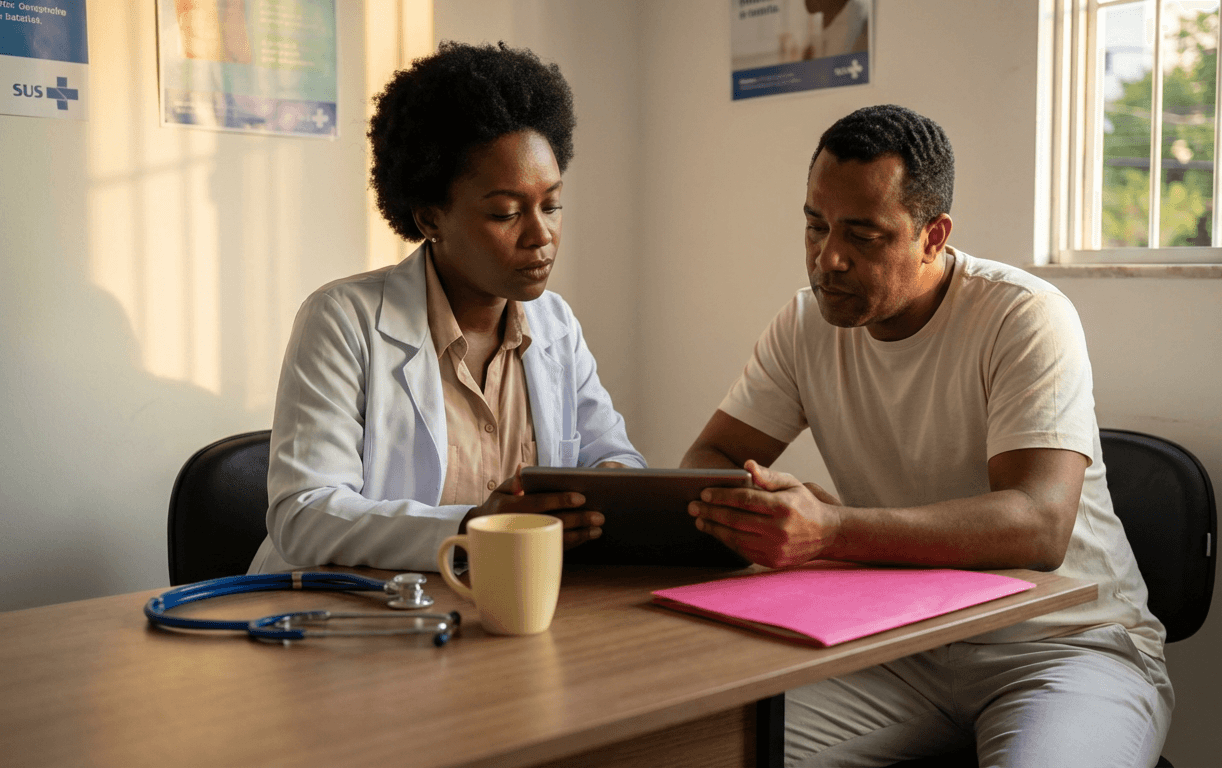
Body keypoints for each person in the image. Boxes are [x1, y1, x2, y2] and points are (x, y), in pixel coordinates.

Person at [681, 105, 1171, 767]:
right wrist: (762, 503)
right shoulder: (803, 324)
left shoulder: (1023, 317)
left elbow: (1039, 525)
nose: (829, 257)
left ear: (933, 236)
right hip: (896, 648)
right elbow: (708, 460)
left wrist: (830, 528)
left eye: (864, 234)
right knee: (694, 750)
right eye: (815, 224)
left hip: (1064, 648)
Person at [248, 42, 644, 575]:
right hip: (350, 621)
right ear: (432, 218)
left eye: (551, 205)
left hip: (497, 609)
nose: (541, 235)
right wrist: (473, 528)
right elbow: (305, 514)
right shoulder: (342, 320)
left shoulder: (556, 326)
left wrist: (617, 488)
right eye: (506, 212)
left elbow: (613, 461)